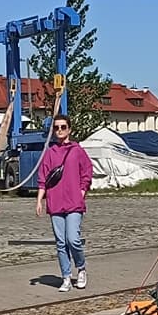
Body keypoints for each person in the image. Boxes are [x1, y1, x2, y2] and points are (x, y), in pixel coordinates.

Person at [36, 114, 94, 289]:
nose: (59, 130)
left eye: (63, 127)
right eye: (56, 128)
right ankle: (66, 276)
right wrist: (39, 200)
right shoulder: (50, 153)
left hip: (74, 203)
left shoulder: (77, 150)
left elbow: (87, 171)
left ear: (69, 129)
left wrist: (82, 190)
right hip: (55, 202)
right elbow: (43, 178)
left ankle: (81, 268)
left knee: (72, 239)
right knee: (60, 242)